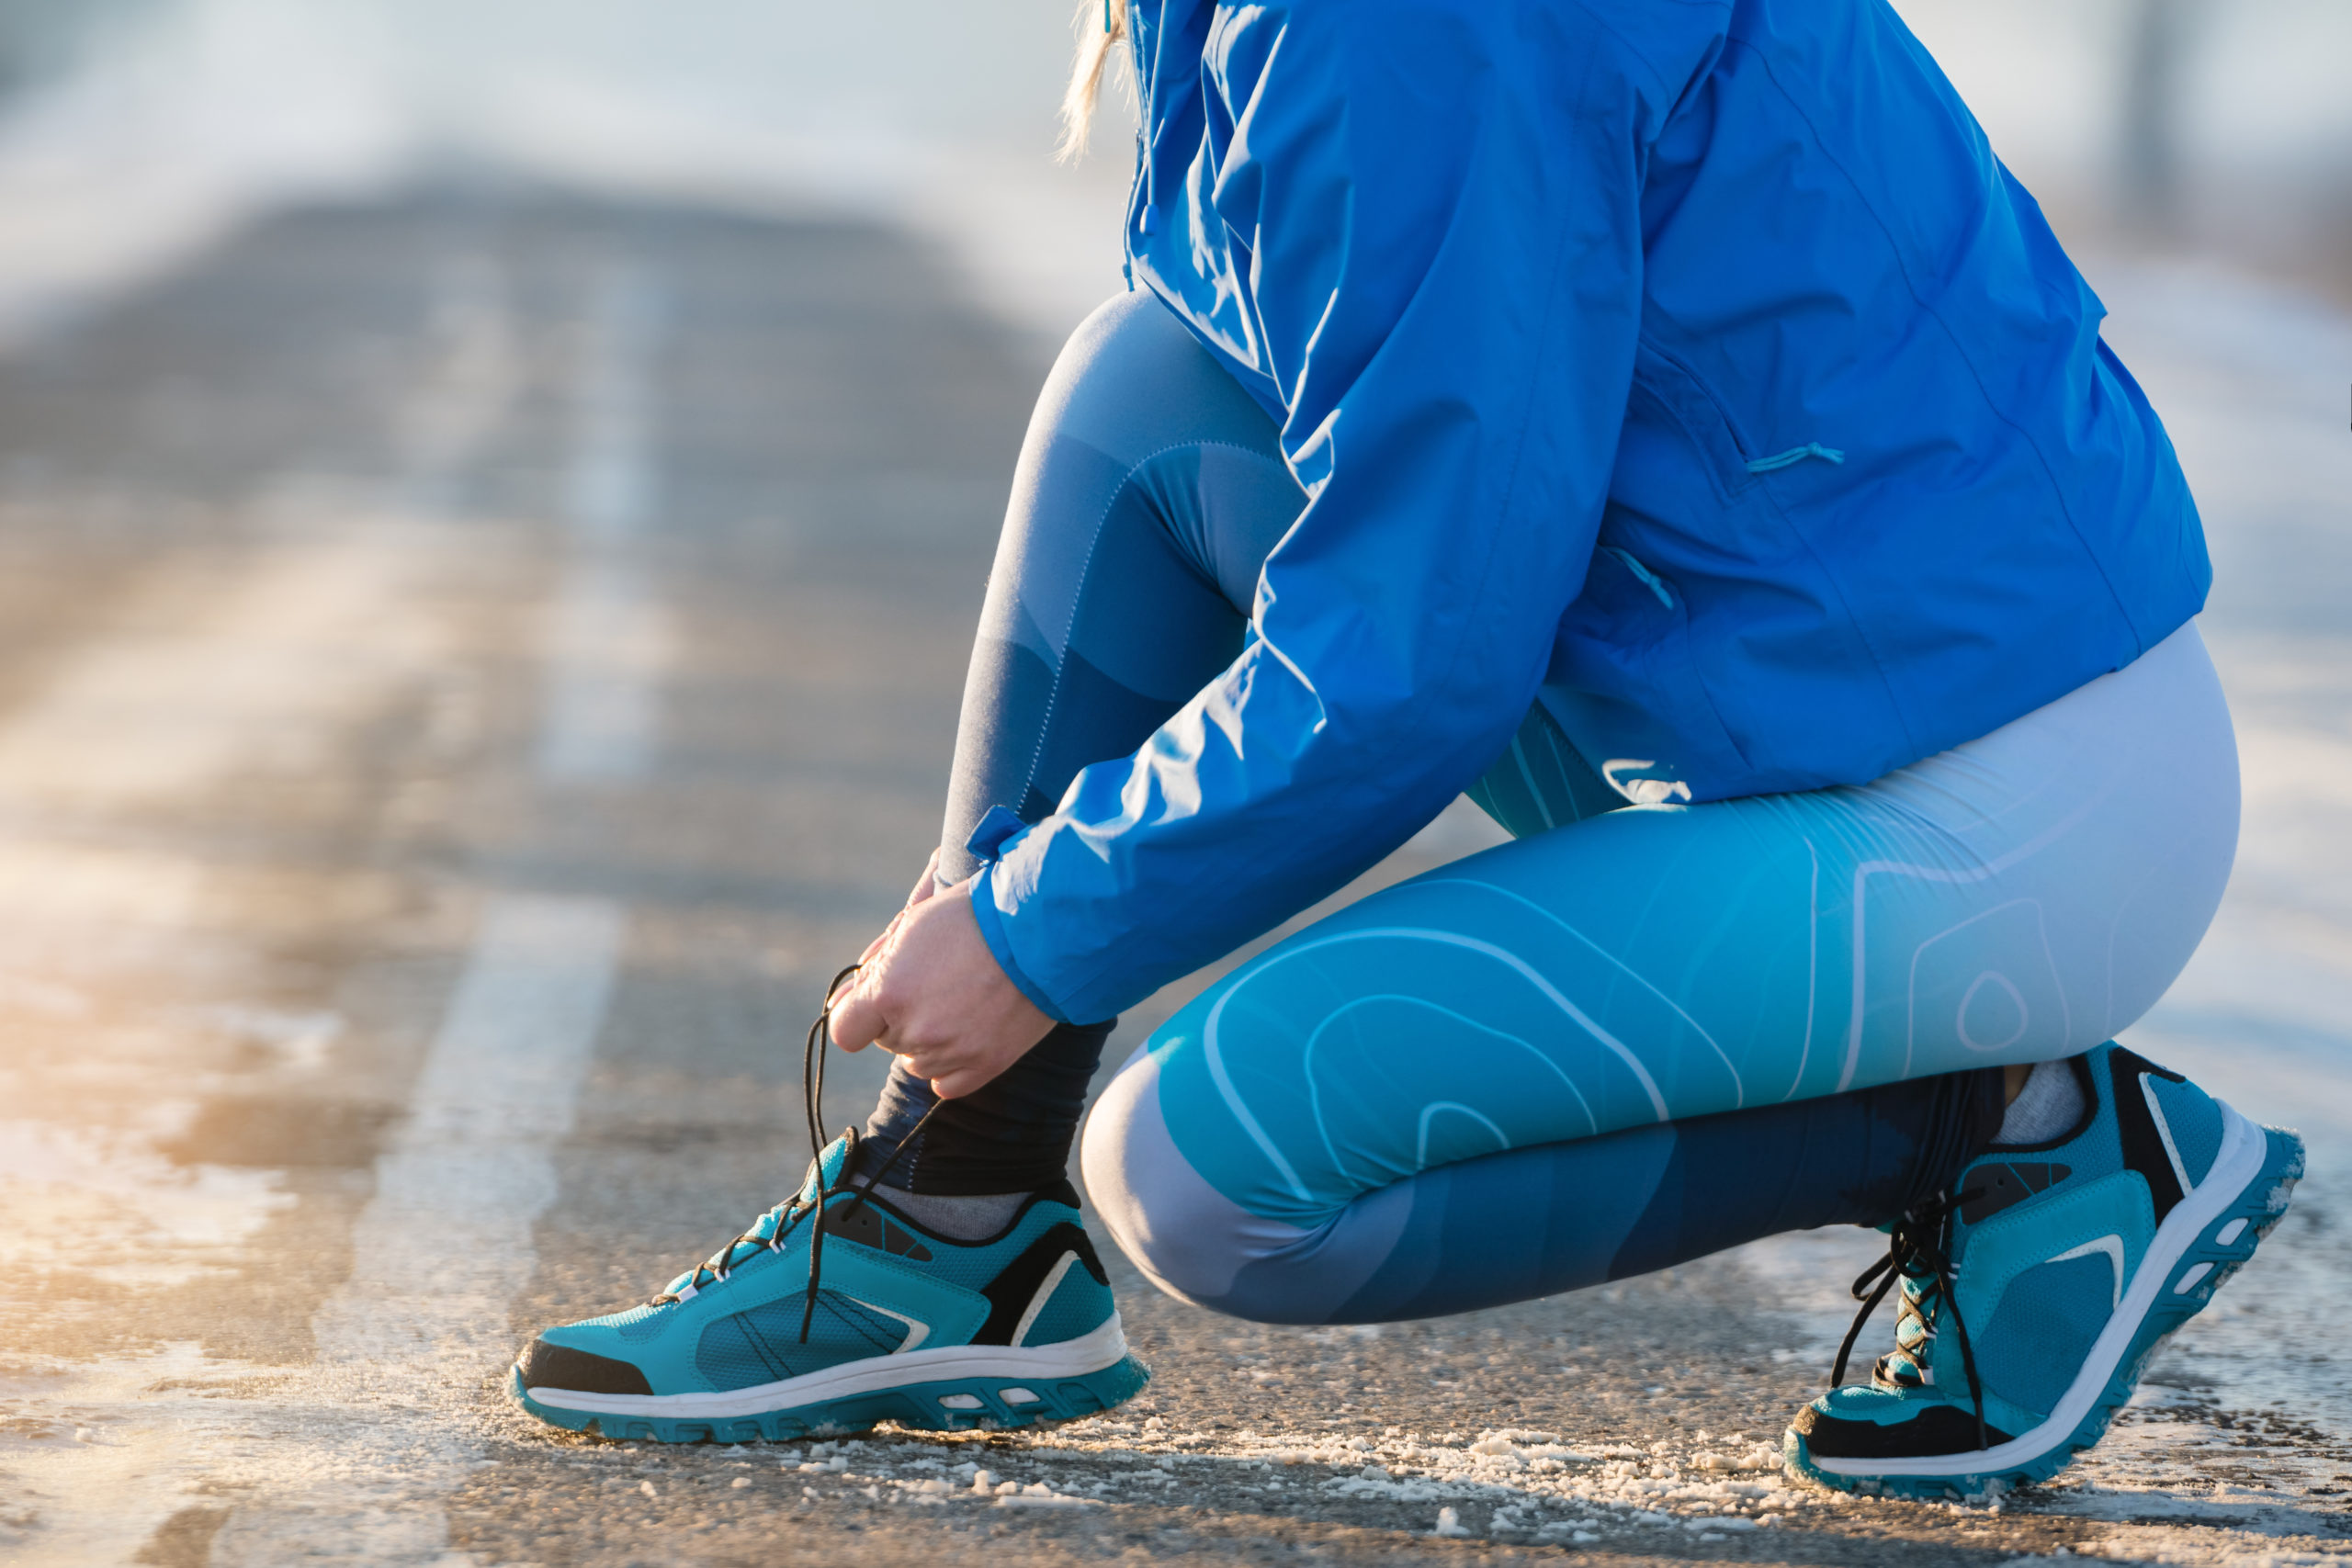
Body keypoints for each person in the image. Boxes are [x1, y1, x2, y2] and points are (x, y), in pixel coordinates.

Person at [510, 0, 2302, 1497]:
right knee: (1153, 385)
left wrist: (1033, 927)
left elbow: (1415, 655)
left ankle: (2016, 1130)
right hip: (1760, 689)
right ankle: (946, 1207)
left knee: (1210, 1180)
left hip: (1990, 807)